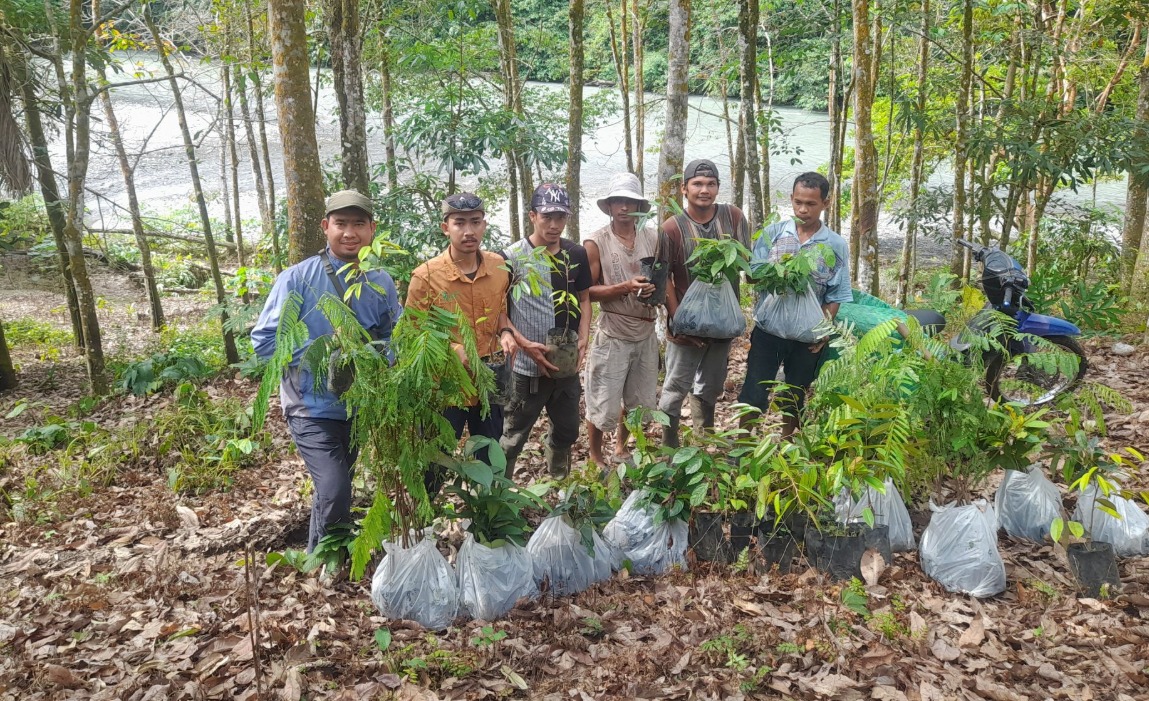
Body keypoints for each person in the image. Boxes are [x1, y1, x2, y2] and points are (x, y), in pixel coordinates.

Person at [252, 190, 402, 553]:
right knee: (335, 487)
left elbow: (392, 337)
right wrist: (323, 351)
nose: (349, 233)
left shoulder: (380, 281)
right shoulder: (297, 279)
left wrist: (375, 358)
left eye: (358, 224)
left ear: (372, 230)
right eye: (341, 224)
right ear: (325, 227)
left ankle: (318, 558)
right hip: (310, 406)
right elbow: (265, 342)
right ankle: (334, 558)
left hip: (357, 405)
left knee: (335, 486)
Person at [405, 192, 537, 472]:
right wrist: (454, 349)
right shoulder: (426, 277)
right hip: (446, 386)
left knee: (490, 456)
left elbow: (501, 310)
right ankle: (425, 513)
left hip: (490, 380)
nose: (469, 231)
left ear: (484, 225)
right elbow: (412, 334)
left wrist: (505, 332)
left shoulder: (500, 268)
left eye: (475, 222)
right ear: (445, 228)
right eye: (459, 223)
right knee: (435, 462)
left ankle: (487, 513)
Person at [739, 172, 851, 438]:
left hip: (807, 335)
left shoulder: (834, 244)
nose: (803, 209)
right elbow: (751, 276)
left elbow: (836, 294)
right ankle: (742, 447)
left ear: (826, 203)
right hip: (769, 329)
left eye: (811, 204)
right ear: (791, 199)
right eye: (798, 202)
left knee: (795, 393)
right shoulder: (774, 233)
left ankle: (788, 446)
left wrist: (824, 331)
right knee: (754, 390)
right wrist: (779, 265)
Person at [499, 184, 589, 478]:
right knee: (513, 434)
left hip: (566, 363)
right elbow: (499, 310)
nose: (554, 225)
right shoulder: (512, 257)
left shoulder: (575, 253)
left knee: (567, 429)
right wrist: (523, 343)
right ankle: (500, 494)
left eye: (560, 218)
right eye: (547, 217)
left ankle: (558, 480)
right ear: (532, 216)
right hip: (526, 367)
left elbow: (585, 298)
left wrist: (585, 337)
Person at [659, 159, 751, 447]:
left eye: (711, 184)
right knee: (675, 387)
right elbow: (664, 279)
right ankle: (669, 446)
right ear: (684, 189)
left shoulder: (733, 217)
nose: (704, 190)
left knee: (710, 385)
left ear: (718, 188)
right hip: (686, 325)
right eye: (697, 184)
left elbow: (748, 265)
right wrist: (677, 320)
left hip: (722, 323)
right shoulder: (672, 228)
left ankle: (704, 440)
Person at [583, 172, 667, 465]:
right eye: (618, 201)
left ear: (639, 207)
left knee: (638, 400)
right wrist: (623, 287)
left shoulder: (653, 237)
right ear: (609, 206)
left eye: (630, 201)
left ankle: (621, 447)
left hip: (645, 330)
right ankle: (595, 456)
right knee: (602, 401)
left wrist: (654, 294)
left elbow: (662, 279)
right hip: (613, 332)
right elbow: (588, 292)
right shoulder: (596, 242)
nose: (623, 207)